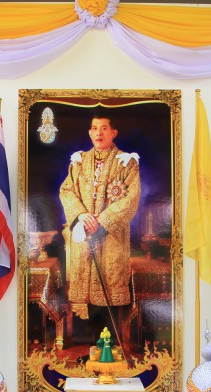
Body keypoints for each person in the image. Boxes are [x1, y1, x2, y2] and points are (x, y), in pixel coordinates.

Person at [59, 115, 140, 321]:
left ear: (114, 132)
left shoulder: (126, 162)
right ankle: (86, 338)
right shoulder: (78, 162)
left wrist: (102, 222)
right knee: (83, 304)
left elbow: (131, 199)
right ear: (89, 132)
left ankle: (109, 338)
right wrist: (82, 215)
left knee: (109, 300)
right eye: (95, 128)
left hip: (111, 239)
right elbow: (66, 191)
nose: (98, 133)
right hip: (84, 236)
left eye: (104, 128)